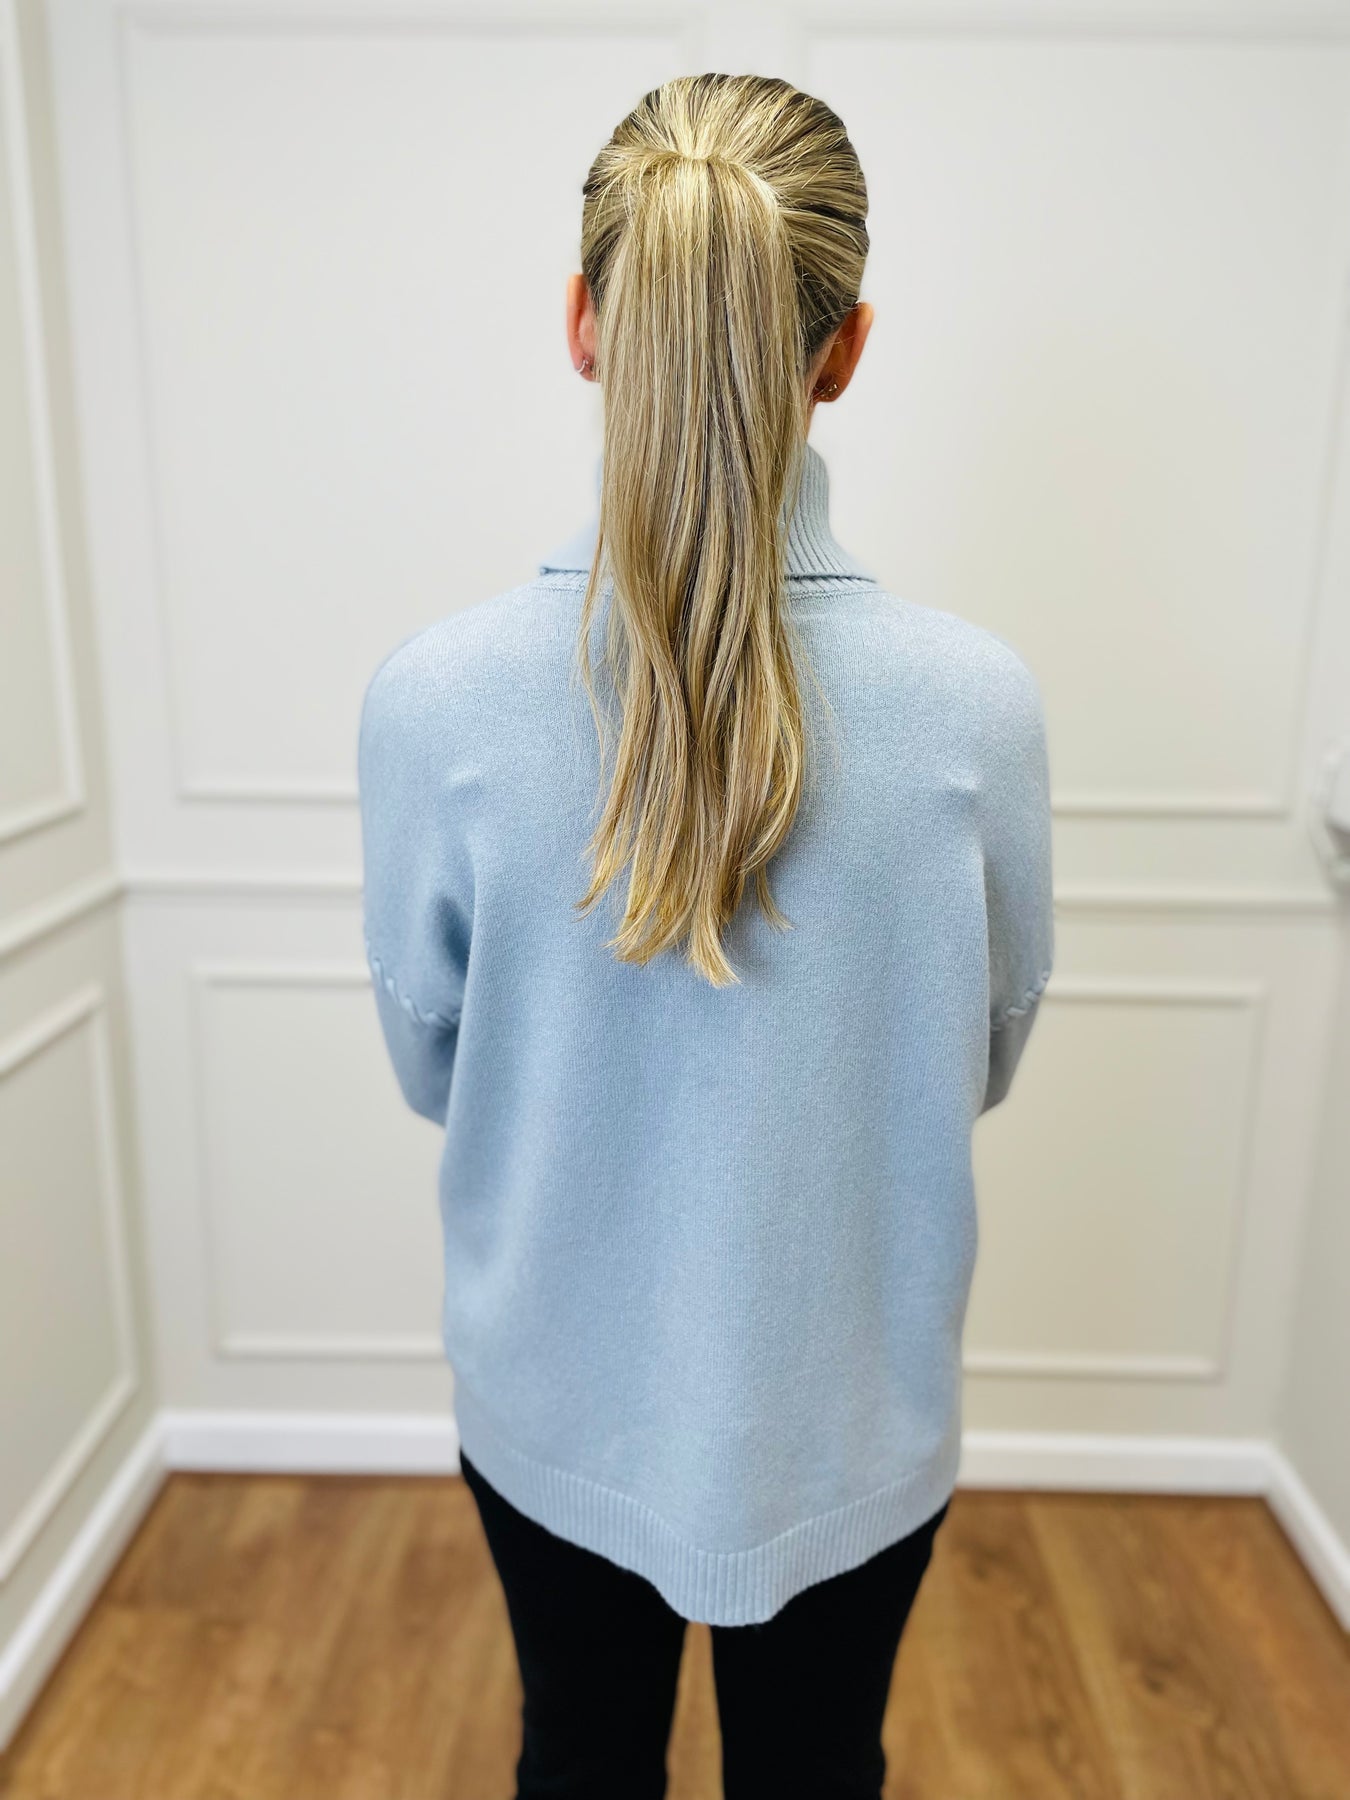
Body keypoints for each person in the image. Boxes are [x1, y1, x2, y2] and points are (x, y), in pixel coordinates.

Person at [357, 71, 1054, 1800]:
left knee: (578, 1756)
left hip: (552, 1390)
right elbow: (979, 1056)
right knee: (817, 1769)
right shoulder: (975, 709)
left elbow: (433, 1068)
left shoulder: (434, 700)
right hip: (849, 1409)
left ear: (585, 323)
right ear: (845, 348)